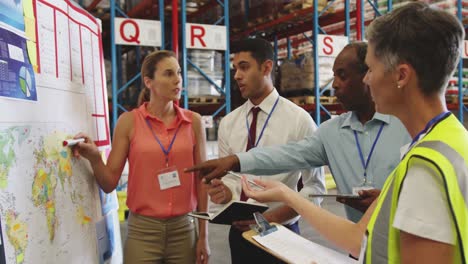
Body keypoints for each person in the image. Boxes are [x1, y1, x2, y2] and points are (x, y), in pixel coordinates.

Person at [240, 3, 467, 263]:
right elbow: (360, 239)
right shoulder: (450, 139)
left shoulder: (425, 169)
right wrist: (285, 194)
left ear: (401, 76)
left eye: (371, 69)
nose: (367, 80)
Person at [188, 41, 411, 223]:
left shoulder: (408, 127)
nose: (334, 84)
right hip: (359, 245)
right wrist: (234, 162)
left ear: (369, 75)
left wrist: (394, 201)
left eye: (342, 75)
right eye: (333, 75)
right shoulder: (331, 132)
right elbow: (286, 154)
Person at [72, 50, 210, 264]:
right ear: (149, 82)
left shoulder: (194, 122)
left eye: (179, 73)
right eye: (168, 74)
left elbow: (202, 181)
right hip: (143, 232)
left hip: (184, 230)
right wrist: (95, 158)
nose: (177, 80)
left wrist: (204, 236)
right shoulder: (129, 122)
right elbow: (109, 183)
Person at [209, 38, 326, 263]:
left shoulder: (299, 120)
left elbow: (316, 187)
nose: (236, 76)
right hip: (240, 234)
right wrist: (224, 192)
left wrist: (274, 217)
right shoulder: (229, 123)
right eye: (235, 69)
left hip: (282, 233)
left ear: (266, 67)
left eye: (244, 67)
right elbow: (233, 179)